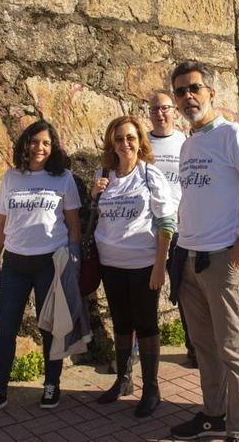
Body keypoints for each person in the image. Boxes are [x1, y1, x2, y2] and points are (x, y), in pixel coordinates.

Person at [167, 61, 239, 442]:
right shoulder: (189, 143)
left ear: (211, 93)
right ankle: (212, 415)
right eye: (180, 91)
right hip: (189, 259)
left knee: (234, 350)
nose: (187, 97)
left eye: (194, 88)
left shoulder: (234, 135)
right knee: (204, 348)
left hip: (221, 260)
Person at [0, 120, 82, 417]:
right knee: (5, 329)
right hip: (15, 264)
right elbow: (1, 224)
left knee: (50, 328)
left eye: (46, 143)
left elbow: (74, 225)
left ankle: (52, 384)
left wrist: (73, 261)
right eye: (34, 142)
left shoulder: (63, 179)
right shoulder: (11, 178)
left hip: (50, 262)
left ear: (53, 147)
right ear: (25, 144)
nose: (39, 148)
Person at [91, 115, 177, 417]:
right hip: (111, 264)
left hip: (142, 264)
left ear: (140, 141)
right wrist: (94, 195)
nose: (125, 144)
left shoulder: (150, 175)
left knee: (146, 324)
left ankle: (152, 388)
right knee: (121, 322)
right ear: (111, 144)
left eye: (130, 137)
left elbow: (167, 223)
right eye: (119, 139)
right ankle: (123, 380)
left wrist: (159, 265)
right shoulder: (105, 175)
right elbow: (99, 217)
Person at [146, 91, 195, 367]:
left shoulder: (185, 143)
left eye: (165, 108)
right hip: (146, 229)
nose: (160, 114)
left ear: (174, 111)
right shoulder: (143, 145)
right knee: (143, 293)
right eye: (154, 109)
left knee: (185, 290)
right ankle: (137, 349)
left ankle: (194, 346)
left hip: (180, 228)